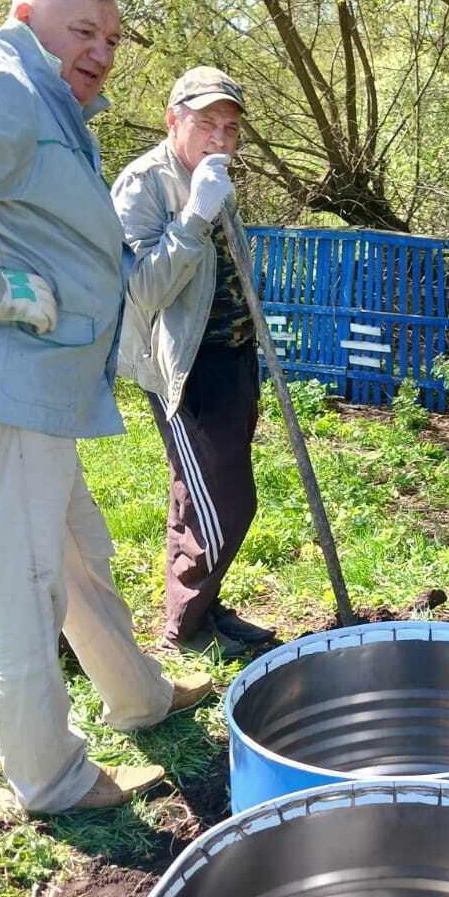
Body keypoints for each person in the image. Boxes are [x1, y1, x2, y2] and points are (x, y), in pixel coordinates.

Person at [0, 0, 211, 814]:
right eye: (84, 31)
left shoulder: (50, 106)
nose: (103, 53)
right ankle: (52, 778)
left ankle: (138, 695)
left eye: (111, 40)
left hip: (39, 391)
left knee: (77, 552)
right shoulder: (4, 90)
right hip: (4, 393)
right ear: (25, 17)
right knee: (26, 585)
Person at [113, 67, 275, 658]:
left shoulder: (215, 177)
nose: (219, 138)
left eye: (229, 128)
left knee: (203, 493)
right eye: (206, 123)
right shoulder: (144, 184)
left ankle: (203, 608)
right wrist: (195, 216)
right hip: (184, 367)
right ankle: (185, 629)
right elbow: (144, 288)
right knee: (224, 500)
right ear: (172, 121)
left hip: (232, 355)